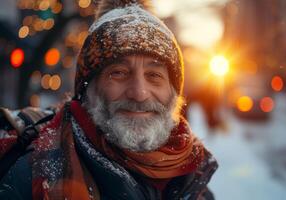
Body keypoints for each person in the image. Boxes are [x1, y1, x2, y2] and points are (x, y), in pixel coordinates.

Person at [0, 0, 218, 199]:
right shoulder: (28, 178)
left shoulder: (195, 184)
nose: (139, 93)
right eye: (119, 73)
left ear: (173, 93)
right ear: (88, 88)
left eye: (154, 75)